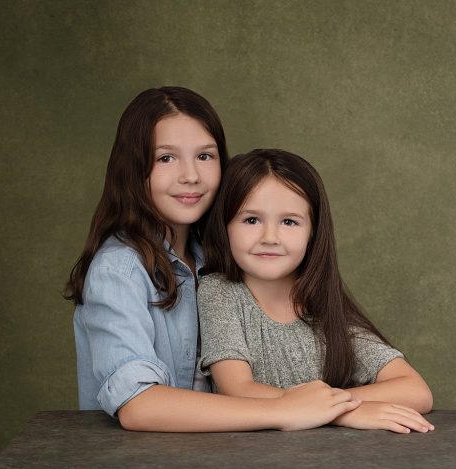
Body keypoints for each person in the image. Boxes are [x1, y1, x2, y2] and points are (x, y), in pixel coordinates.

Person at [66, 87, 360, 432]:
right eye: (165, 158)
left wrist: (331, 408)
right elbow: (138, 405)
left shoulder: (216, 256)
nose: (190, 175)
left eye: (205, 156)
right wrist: (286, 410)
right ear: (132, 169)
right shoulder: (118, 270)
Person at [198, 148, 434, 433]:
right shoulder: (219, 293)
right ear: (225, 226)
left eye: (289, 222)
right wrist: (339, 413)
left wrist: (332, 408)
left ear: (313, 233)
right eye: (251, 220)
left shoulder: (324, 306)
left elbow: (415, 390)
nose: (269, 238)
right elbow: (236, 390)